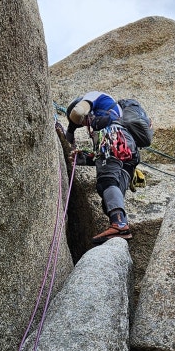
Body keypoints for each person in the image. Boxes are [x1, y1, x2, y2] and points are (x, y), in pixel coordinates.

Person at [64, 91, 139, 244]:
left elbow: (77, 112)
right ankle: (120, 227)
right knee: (111, 192)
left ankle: (119, 225)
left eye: (83, 123)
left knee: (106, 181)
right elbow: (103, 156)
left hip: (115, 139)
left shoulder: (95, 96)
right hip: (128, 150)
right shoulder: (107, 116)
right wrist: (85, 158)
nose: (84, 125)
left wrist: (71, 128)